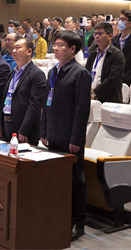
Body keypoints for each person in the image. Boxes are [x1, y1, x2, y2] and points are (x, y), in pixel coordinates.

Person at [40, 30, 91, 241]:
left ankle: (78, 222)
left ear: (72, 49)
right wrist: (44, 131)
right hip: (53, 133)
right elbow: (46, 104)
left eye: (61, 45)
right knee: (58, 178)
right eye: (56, 44)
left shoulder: (80, 73)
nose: (56, 48)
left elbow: (82, 109)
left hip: (70, 136)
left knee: (75, 180)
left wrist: (75, 138)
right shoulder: (53, 71)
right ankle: (61, 216)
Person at [0, 38, 46, 145]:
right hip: (6, 124)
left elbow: (34, 106)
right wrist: (0, 126)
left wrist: (24, 130)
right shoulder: (12, 73)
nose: (14, 51)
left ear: (29, 51)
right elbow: (4, 100)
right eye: (14, 48)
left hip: (23, 129)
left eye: (18, 48)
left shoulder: (37, 74)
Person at [85, 22, 125, 103]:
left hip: (109, 99)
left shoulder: (117, 55)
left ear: (110, 36)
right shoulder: (93, 53)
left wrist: (95, 93)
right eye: (95, 34)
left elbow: (112, 79)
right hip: (91, 96)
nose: (97, 36)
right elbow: (86, 73)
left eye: (100, 33)